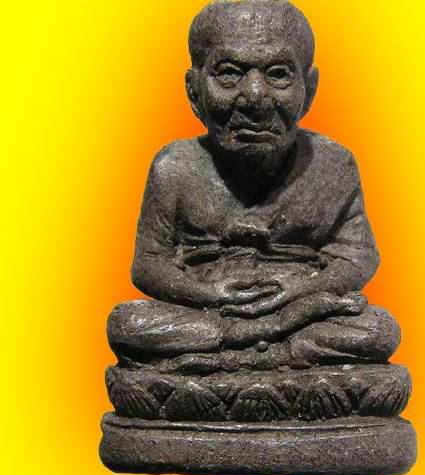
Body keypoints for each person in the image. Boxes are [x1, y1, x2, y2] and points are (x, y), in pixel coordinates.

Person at [108, 0, 400, 373]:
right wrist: (210, 294)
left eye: (278, 74)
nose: (256, 97)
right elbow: (148, 265)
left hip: (301, 309)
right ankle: (271, 350)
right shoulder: (175, 167)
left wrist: (300, 293)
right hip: (208, 311)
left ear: (309, 89)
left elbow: (359, 257)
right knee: (127, 324)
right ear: (194, 91)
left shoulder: (333, 165)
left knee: (378, 330)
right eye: (230, 74)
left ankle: (230, 357)